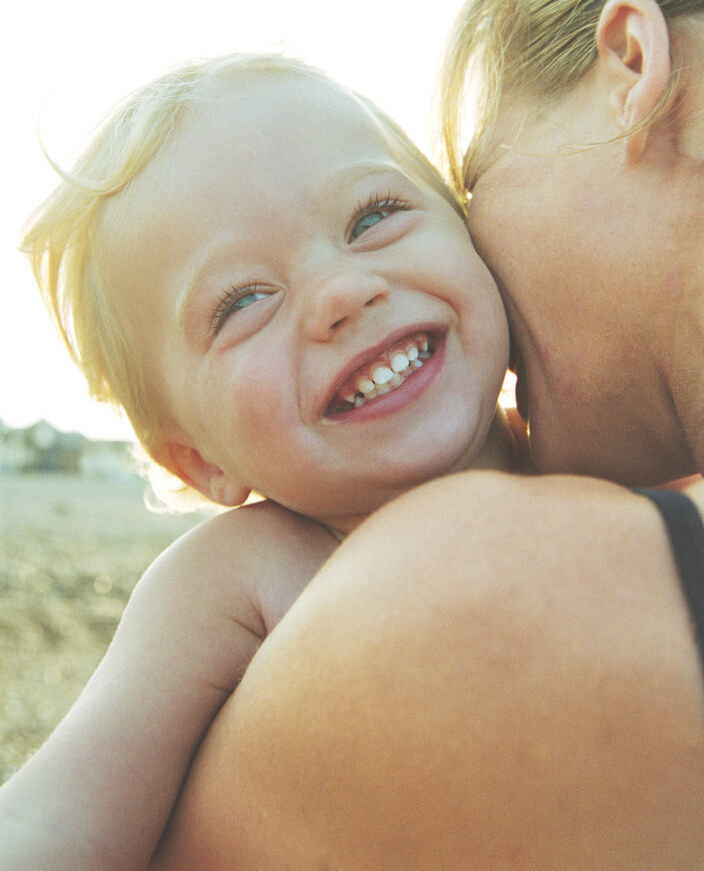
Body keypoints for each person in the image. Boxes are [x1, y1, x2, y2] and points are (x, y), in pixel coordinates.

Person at [146, 0, 704, 867]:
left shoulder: (490, 589)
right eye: (241, 302)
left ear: (632, 65)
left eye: (473, 179)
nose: (352, 296)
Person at [0, 53, 522, 869]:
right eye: (243, 301)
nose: (340, 292)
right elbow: (56, 819)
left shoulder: (601, 467)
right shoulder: (243, 579)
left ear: (474, 229)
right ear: (196, 458)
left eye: (373, 216)